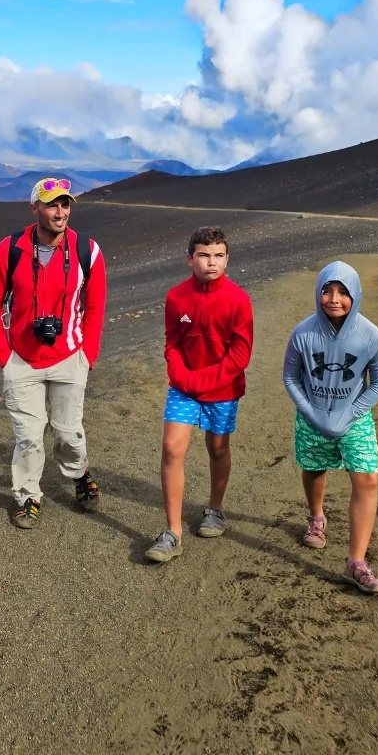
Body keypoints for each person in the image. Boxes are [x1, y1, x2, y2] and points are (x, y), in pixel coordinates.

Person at [0, 178, 107, 529]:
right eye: (52, 205)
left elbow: (95, 307)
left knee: (68, 432)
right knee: (28, 435)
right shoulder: (10, 250)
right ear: (34, 207)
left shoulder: (87, 250)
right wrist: (4, 358)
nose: (60, 212)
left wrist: (88, 354)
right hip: (22, 360)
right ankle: (27, 497)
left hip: (70, 357)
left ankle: (78, 473)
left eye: (65, 204)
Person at [145, 227, 253, 562]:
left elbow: (240, 354)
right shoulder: (176, 297)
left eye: (218, 255)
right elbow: (172, 345)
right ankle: (173, 532)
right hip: (184, 387)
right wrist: (183, 378)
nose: (211, 262)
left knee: (218, 448)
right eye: (204, 255)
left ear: (227, 258)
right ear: (190, 259)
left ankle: (215, 510)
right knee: (171, 448)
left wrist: (204, 381)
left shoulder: (238, 299)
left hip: (222, 389)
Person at [282, 260, 378, 594]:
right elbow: (290, 376)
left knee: (368, 477)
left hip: (354, 418)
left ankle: (356, 562)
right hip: (312, 415)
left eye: (343, 292)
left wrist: (352, 412)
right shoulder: (303, 332)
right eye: (327, 290)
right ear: (318, 293)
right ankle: (316, 518)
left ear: (355, 294)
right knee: (314, 469)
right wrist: (310, 412)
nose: (334, 298)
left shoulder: (370, 335)